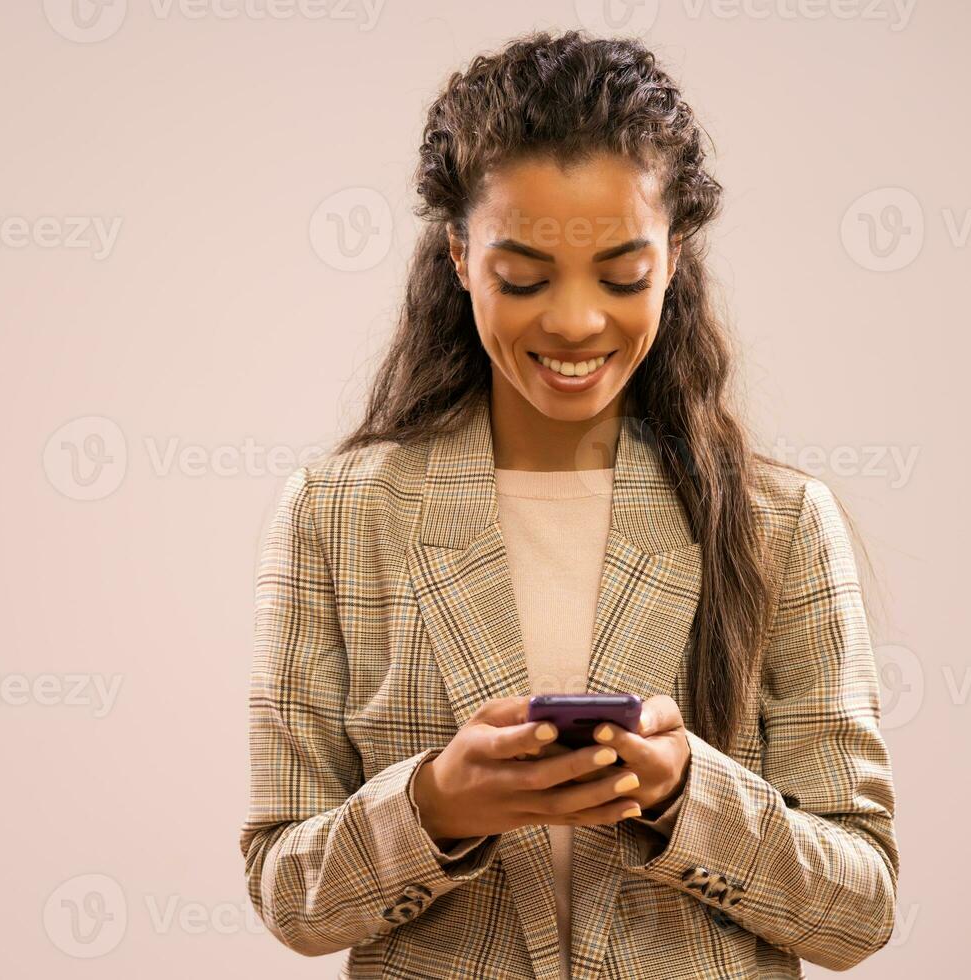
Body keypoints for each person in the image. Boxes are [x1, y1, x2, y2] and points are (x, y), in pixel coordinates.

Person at [240, 28, 898, 980]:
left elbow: (860, 910)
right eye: (524, 278)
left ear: (674, 260)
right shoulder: (337, 518)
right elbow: (286, 890)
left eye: (623, 276)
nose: (577, 321)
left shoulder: (780, 523)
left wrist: (685, 796)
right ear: (461, 256)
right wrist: (435, 810)